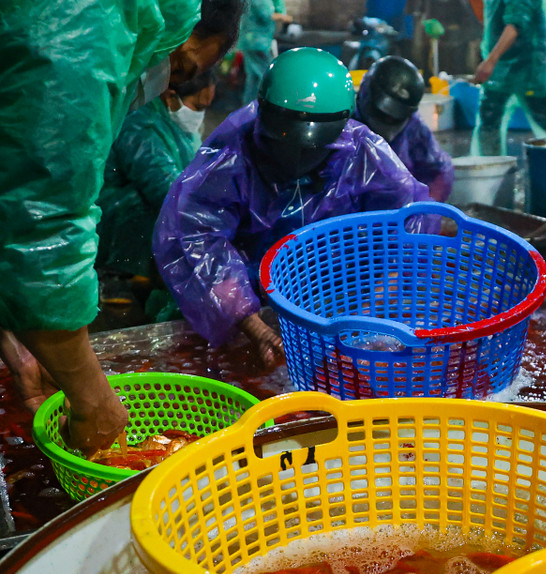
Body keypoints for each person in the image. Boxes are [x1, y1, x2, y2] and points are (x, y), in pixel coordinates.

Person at [0, 0, 243, 457]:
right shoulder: (86, 25)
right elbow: (42, 223)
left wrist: (20, 346)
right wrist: (93, 400)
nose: (167, 86)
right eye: (179, 67)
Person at [153, 47, 430, 367]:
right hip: (248, 293)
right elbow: (195, 233)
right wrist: (252, 323)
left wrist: (375, 301)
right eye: (283, 143)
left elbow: (408, 219)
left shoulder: (361, 150)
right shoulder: (232, 151)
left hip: (337, 294)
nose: (297, 157)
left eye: (312, 148)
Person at [97, 70, 218, 302]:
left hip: (143, 198)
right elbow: (162, 185)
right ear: (171, 97)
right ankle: (114, 274)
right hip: (112, 213)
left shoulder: (172, 122)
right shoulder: (143, 126)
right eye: (197, 106)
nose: (200, 115)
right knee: (162, 205)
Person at [471, 0, 546, 156]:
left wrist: (490, 61)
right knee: (489, 119)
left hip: (527, 67)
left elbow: (516, 23)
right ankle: (489, 170)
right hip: (502, 69)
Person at [354, 56, 455, 202]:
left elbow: (439, 172)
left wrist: (426, 212)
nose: (388, 121)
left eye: (394, 118)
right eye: (384, 116)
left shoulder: (413, 125)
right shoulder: (344, 126)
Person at [238, 0, 292, 105]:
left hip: (251, 41)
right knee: (267, 75)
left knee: (253, 78)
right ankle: (265, 106)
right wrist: (284, 17)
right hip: (257, 42)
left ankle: (249, 108)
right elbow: (266, 14)